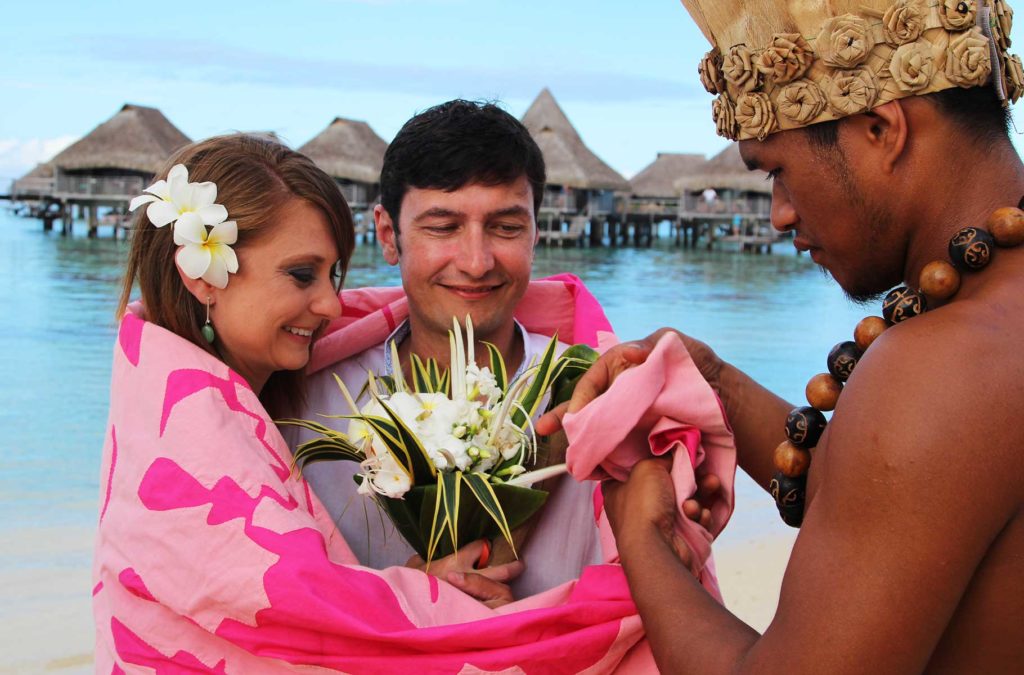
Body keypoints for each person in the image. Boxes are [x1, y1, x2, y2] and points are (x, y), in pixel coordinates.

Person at [540, 0, 1024, 672]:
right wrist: (714, 384)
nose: (777, 216)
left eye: (777, 171)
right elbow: (902, 497)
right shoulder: (996, 318)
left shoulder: (944, 363)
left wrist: (637, 527)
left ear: (882, 129)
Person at [297, 99, 612, 598]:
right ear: (388, 234)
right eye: (442, 228)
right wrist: (411, 602)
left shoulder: (595, 405)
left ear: (535, 232)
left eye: (506, 227)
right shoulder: (307, 408)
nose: (475, 261)